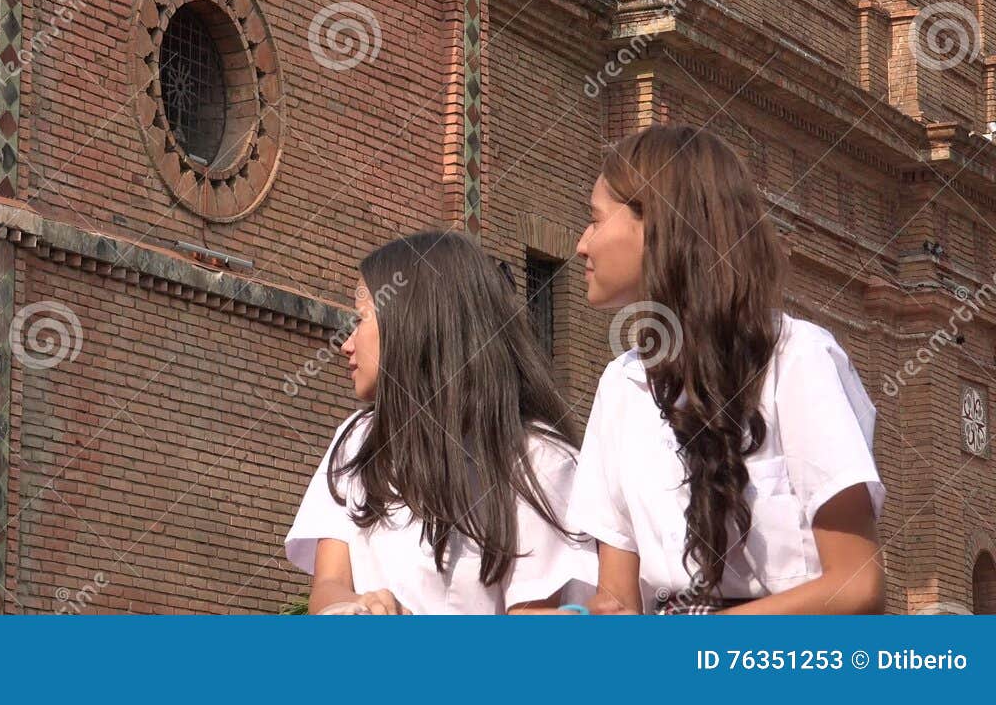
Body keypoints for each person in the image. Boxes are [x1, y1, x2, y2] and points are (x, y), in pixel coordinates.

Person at [568, 123, 885, 613]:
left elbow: (857, 584)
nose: (581, 245)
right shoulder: (622, 385)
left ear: (659, 226)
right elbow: (618, 600)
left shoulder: (796, 359)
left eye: (595, 220)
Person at [285, 231, 596, 614]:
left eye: (361, 320)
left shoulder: (538, 460)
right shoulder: (355, 440)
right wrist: (356, 608)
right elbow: (328, 586)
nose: (346, 344)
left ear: (415, 324)